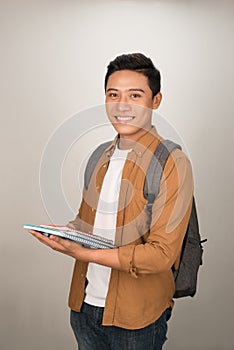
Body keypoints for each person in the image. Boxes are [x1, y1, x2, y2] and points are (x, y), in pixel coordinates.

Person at [29, 53, 193, 350]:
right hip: (84, 307)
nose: (122, 105)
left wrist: (82, 254)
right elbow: (90, 225)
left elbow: (160, 256)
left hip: (136, 319)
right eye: (113, 94)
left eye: (135, 95)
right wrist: (67, 233)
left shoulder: (171, 162)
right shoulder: (99, 155)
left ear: (156, 100)